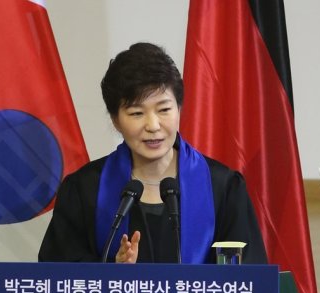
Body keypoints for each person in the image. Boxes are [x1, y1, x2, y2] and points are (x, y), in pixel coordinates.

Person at [39, 42, 267, 264]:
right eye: (137, 113)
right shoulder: (85, 189)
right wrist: (111, 274)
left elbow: (249, 283)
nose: (153, 125)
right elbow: (59, 278)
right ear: (116, 120)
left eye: (164, 109)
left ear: (179, 108)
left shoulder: (223, 188)